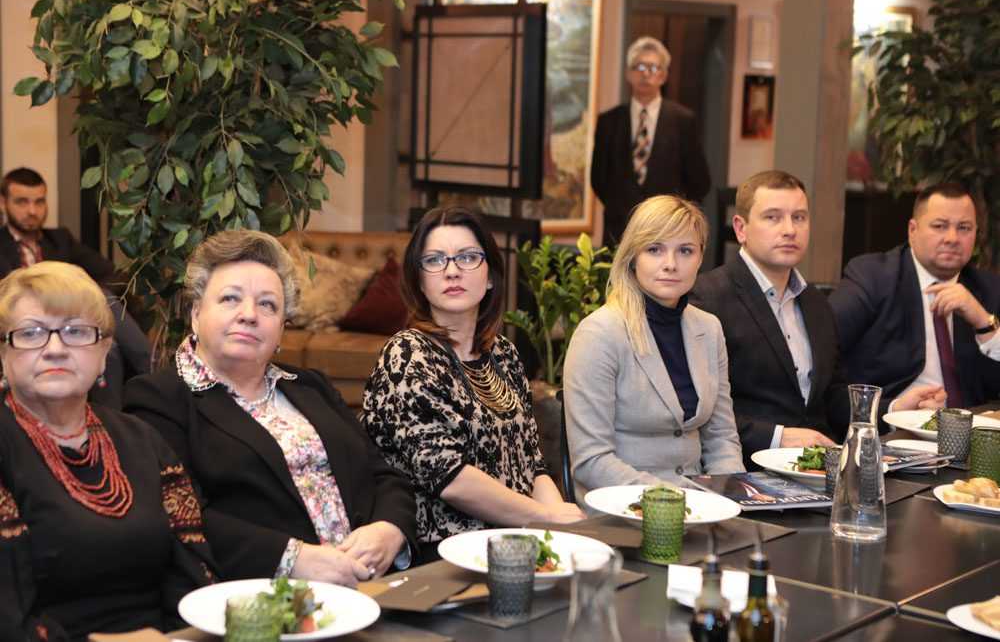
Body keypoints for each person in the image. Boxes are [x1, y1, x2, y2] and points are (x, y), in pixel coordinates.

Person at [124, 230, 416, 585]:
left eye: (267, 305)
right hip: (264, 595)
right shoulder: (159, 398)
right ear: (197, 314)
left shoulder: (311, 386)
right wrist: (290, 559)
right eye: (230, 298)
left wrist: (390, 529)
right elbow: (176, 514)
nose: (249, 314)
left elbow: (383, 474)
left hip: (376, 585)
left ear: (281, 329)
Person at [0, 261, 214, 642]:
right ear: (3, 355)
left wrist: (177, 638)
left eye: (76, 332)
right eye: (31, 333)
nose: (55, 349)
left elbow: (194, 572)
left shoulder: (144, 440)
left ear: (103, 355)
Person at [361, 206, 584, 561]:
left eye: (467, 257)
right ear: (419, 281)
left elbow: (533, 464)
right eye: (435, 260)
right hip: (440, 552)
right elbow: (449, 477)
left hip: (515, 540)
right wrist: (545, 518)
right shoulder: (407, 355)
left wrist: (561, 531)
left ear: (490, 276)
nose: (452, 270)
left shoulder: (504, 354)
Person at [563, 195, 744, 499]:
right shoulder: (599, 333)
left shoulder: (709, 328)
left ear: (700, 258)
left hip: (703, 504)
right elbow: (591, 461)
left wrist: (731, 499)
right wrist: (677, 500)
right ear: (633, 257)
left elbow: (722, 437)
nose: (670, 264)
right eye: (654, 249)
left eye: (685, 251)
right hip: (623, 506)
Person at [690, 170, 852, 466]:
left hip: (821, 469)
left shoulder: (816, 302)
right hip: (746, 468)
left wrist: (891, 409)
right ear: (741, 228)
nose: (789, 230)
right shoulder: (707, 298)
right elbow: (697, 409)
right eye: (773, 217)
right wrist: (778, 437)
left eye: (799, 217)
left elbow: (833, 395)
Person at [830, 182, 1000, 413]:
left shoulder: (988, 289)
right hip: (892, 425)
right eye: (940, 226)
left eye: (964, 228)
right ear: (913, 230)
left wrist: (983, 323)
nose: (952, 238)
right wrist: (891, 408)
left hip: (968, 427)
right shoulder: (873, 278)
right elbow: (824, 352)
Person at [0, 168, 150, 408]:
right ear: (3, 203)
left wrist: (82, 294)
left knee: (106, 325)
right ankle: (149, 371)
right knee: (107, 335)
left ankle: (116, 413)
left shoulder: (59, 240)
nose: (32, 210)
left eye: (39, 201)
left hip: (71, 320)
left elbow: (109, 272)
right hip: (24, 324)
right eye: (22, 202)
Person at [590, 36, 711, 245]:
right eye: (639, 67)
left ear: (663, 76)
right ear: (628, 74)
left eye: (654, 68)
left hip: (668, 230)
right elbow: (598, 179)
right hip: (619, 230)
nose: (646, 74)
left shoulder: (683, 121)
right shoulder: (609, 121)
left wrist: (674, 214)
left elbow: (699, 181)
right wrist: (621, 204)